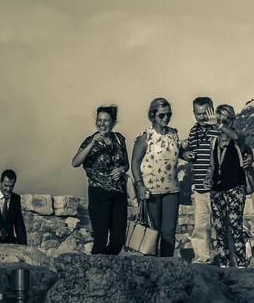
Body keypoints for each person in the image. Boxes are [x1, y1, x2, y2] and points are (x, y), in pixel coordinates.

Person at [131, 97, 187, 257]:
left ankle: (167, 269)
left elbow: (176, 153)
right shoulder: (145, 136)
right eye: (162, 115)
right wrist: (139, 185)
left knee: (169, 233)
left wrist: (186, 154)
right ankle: (151, 270)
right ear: (153, 115)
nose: (166, 118)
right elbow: (135, 162)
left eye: (169, 114)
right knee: (152, 233)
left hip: (172, 189)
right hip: (150, 191)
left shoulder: (174, 134)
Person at [72, 104, 129, 254]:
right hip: (99, 193)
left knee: (118, 240)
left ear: (113, 122)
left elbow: (126, 164)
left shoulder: (120, 139)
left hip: (119, 194)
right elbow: (75, 162)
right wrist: (92, 143)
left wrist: (121, 170)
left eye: (106, 120)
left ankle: (109, 267)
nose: (102, 124)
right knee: (100, 240)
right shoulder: (90, 140)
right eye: (99, 120)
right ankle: (97, 272)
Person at [209, 104, 254, 268]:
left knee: (235, 226)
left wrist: (221, 125)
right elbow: (213, 166)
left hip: (235, 187)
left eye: (227, 119)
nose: (223, 122)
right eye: (220, 118)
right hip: (217, 189)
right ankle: (224, 263)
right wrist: (209, 179)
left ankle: (241, 263)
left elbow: (236, 137)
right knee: (219, 228)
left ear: (232, 120)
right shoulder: (214, 141)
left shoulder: (239, 139)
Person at [185, 96, 220, 262]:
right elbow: (189, 150)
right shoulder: (193, 131)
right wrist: (187, 155)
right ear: (193, 113)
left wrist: (217, 125)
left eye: (205, 113)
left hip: (218, 187)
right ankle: (201, 259)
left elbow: (228, 144)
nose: (202, 117)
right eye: (198, 113)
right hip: (199, 186)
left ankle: (228, 257)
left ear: (212, 110)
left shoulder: (218, 127)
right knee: (201, 226)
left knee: (221, 225)